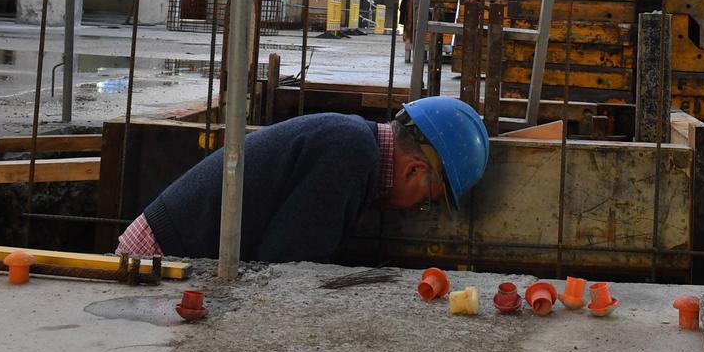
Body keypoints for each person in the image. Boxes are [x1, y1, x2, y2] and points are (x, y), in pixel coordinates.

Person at [115, 97, 490, 263]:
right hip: (157, 262)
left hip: (174, 250)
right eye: (427, 200)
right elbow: (287, 267)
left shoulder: (355, 142)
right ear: (414, 170)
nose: (415, 210)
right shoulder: (353, 155)